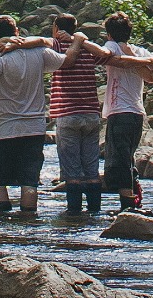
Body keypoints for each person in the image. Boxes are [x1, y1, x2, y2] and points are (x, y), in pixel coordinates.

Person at [0, 13, 64, 215]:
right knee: (29, 181)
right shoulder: (39, 52)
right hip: (34, 127)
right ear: (18, 32)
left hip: (3, 129)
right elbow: (64, 60)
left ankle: (2, 224)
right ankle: (29, 220)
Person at [96, 11, 153, 212]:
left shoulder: (111, 46)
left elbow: (108, 58)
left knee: (119, 158)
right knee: (128, 156)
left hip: (120, 110)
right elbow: (150, 76)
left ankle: (128, 203)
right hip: (136, 112)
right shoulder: (142, 52)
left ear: (109, 34)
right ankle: (134, 197)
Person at [45, 13, 107, 215]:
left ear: (56, 28)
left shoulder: (56, 47)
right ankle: (94, 212)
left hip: (67, 113)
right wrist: (79, 40)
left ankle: (74, 214)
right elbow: (105, 55)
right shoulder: (88, 48)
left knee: (71, 171)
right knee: (91, 168)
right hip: (90, 113)